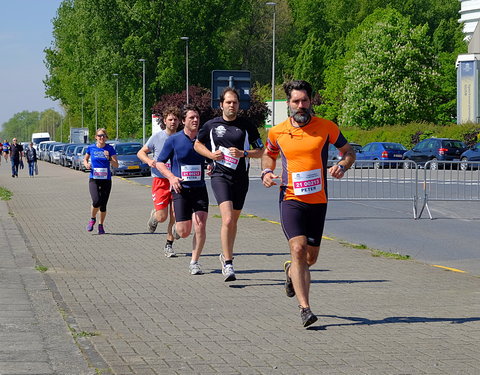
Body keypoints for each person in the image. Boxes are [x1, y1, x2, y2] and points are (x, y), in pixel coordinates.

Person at [261, 80, 356, 328]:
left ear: (310, 101)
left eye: (304, 101)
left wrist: (342, 165)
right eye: (295, 101)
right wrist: (266, 173)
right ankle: (305, 308)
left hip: (318, 201)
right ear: (288, 104)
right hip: (291, 199)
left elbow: (349, 151)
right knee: (299, 248)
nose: (300, 106)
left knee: (309, 258)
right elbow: (268, 155)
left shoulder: (326, 127)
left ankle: (291, 271)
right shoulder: (277, 131)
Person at [194, 88, 264, 282]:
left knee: (233, 221)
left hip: (241, 178)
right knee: (226, 220)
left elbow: (261, 150)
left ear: (238, 105)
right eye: (228, 102)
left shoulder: (246, 125)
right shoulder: (211, 125)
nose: (231, 105)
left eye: (234, 102)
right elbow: (197, 144)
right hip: (220, 176)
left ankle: (224, 255)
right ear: (221, 104)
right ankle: (229, 263)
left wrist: (244, 153)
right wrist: (211, 155)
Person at [157, 105, 208, 275]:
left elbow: (211, 160)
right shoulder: (174, 140)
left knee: (200, 225)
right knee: (183, 231)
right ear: (184, 121)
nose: (195, 120)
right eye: (192, 117)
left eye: (197, 117)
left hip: (199, 188)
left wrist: (211, 167)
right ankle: (176, 229)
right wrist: (171, 177)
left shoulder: (203, 140)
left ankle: (194, 262)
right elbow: (159, 162)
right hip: (180, 189)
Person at [137, 107, 181, 257]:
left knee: (175, 215)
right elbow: (141, 152)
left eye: (175, 119)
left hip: (176, 180)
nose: (173, 122)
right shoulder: (157, 137)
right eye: (170, 119)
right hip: (160, 181)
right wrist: (149, 161)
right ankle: (155, 216)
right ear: (164, 121)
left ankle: (169, 245)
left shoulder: (182, 137)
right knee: (163, 217)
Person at [83, 128, 119, 234]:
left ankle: (101, 225)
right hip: (94, 178)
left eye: (103, 136)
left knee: (103, 204)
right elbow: (85, 159)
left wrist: (109, 158)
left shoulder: (110, 149)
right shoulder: (91, 148)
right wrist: (86, 164)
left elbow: (116, 164)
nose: (101, 138)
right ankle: (92, 218)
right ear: (96, 137)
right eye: (99, 136)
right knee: (96, 201)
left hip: (106, 180)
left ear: (106, 137)